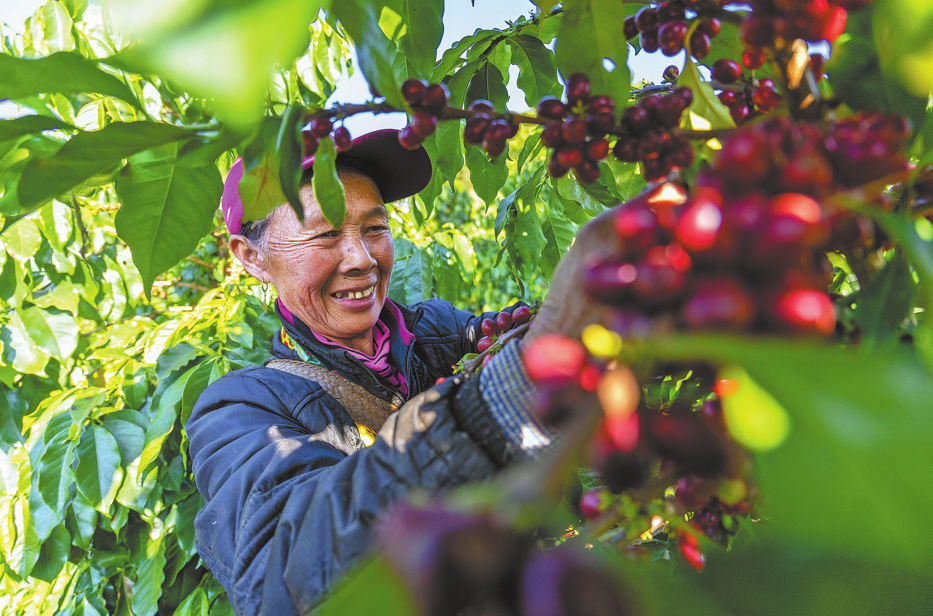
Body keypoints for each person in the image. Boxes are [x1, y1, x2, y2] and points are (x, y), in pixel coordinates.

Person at [187, 129, 616, 616]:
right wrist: (496, 401)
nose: (363, 259)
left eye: (374, 228)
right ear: (251, 257)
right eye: (326, 233)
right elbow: (282, 578)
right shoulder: (240, 409)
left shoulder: (438, 331)